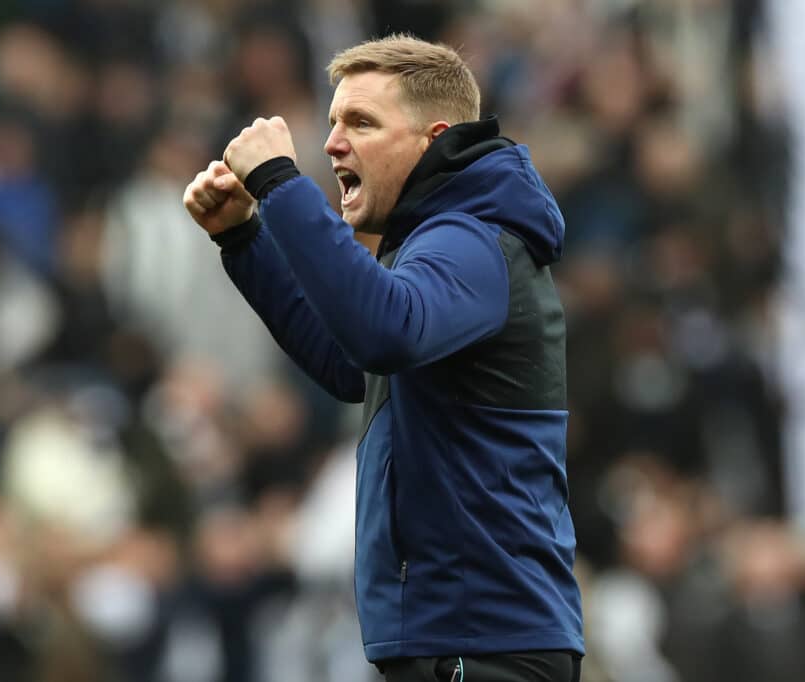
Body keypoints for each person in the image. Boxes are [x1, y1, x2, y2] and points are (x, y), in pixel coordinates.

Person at [183, 34, 584, 682]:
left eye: (362, 123)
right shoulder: (434, 243)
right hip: (461, 637)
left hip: (483, 640)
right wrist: (244, 238)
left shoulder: (470, 240)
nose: (332, 143)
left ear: (433, 139)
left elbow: (382, 333)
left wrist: (281, 183)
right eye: (333, 122)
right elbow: (353, 365)